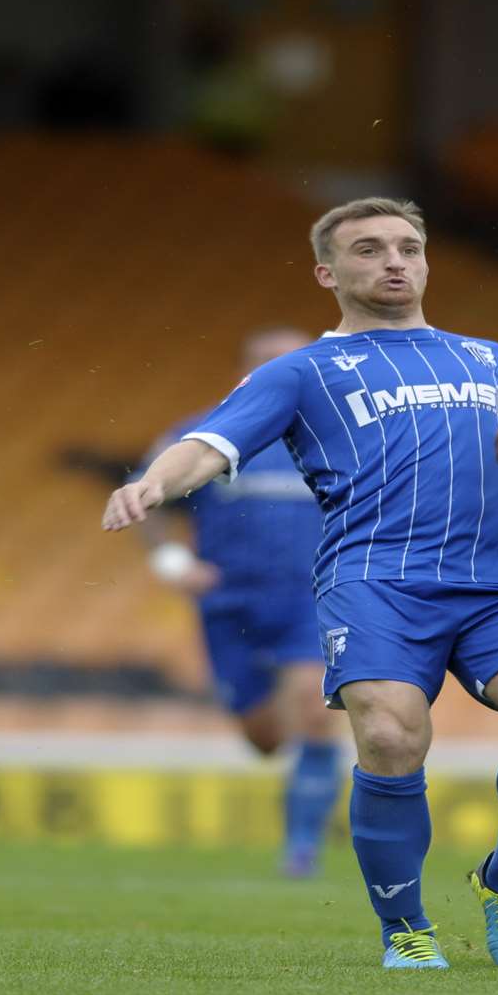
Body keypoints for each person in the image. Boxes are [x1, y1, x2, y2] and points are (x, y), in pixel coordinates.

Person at [103, 197, 498, 971]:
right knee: (391, 736)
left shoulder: (492, 360)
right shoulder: (301, 371)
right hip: (377, 581)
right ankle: (406, 928)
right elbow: (205, 445)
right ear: (329, 272)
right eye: (368, 249)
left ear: (425, 261)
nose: (393, 261)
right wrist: (155, 486)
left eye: (407, 247)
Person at [131, 325, 344, 878]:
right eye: (265, 362)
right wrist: (172, 563)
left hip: (313, 596)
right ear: (244, 373)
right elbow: (147, 495)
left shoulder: (342, 432)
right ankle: (311, 796)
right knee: (265, 737)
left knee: (313, 713)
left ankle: (302, 849)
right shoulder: (205, 434)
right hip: (230, 601)